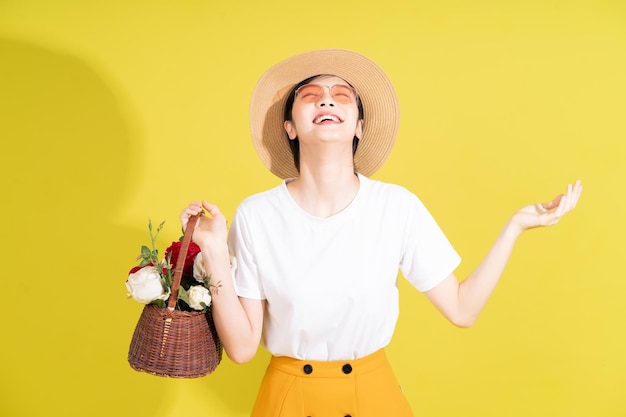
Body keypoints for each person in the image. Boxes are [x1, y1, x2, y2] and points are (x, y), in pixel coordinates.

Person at [180, 49, 582, 417]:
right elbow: (242, 348)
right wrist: (214, 251)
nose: (326, 99)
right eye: (310, 94)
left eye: (342, 95)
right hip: (286, 399)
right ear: (289, 128)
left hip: (374, 397)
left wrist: (514, 227)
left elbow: (462, 310)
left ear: (358, 126)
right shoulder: (257, 215)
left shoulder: (397, 207)